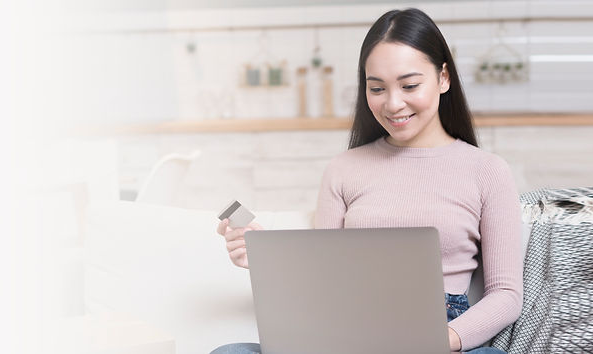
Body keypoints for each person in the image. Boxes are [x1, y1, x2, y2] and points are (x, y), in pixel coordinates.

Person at [211, 8, 522, 354]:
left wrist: (442, 340)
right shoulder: (343, 169)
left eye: (410, 85)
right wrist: (266, 259)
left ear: (444, 77)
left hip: (440, 335)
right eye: (377, 88)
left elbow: (506, 295)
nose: (393, 103)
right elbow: (323, 283)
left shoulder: (488, 171)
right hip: (350, 334)